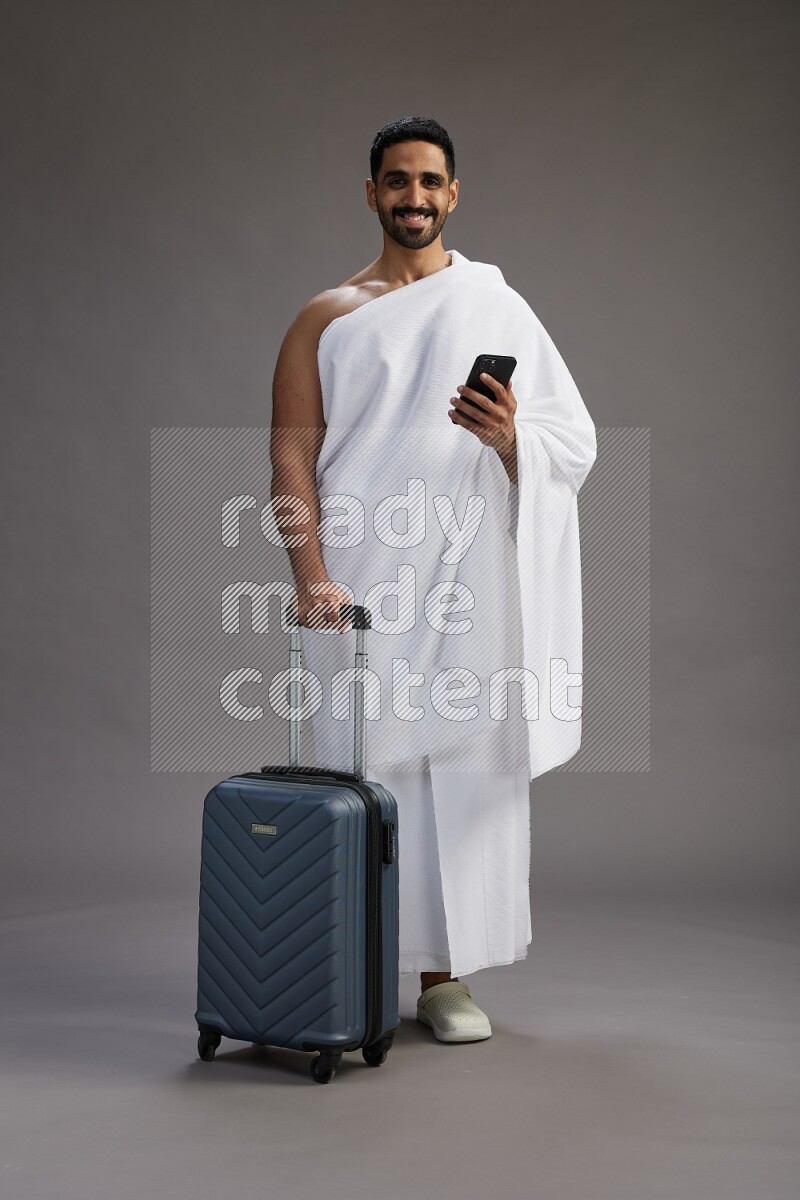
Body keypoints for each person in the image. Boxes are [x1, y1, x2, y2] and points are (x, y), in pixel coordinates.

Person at [269, 116, 596, 1043]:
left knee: (462, 767)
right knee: (363, 766)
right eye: (397, 180)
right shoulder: (326, 316)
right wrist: (311, 579)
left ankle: (446, 979)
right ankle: (355, 961)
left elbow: (572, 439)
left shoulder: (497, 306)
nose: (414, 197)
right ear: (370, 193)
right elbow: (291, 463)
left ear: (454, 195)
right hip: (362, 581)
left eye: (430, 182)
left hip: (468, 575)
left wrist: (508, 439)